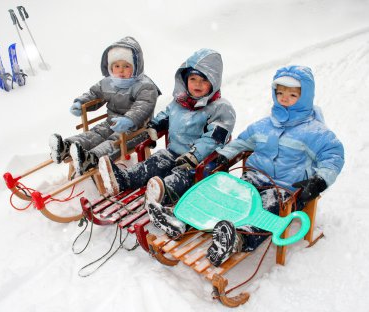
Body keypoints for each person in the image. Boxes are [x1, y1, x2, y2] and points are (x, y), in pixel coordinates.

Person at [147, 65, 344, 267]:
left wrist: (319, 181)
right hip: (252, 179)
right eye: (280, 92)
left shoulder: (315, 132)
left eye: (292, 94)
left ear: (304, 97)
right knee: (226, 199)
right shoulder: (265, 124)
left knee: (266, 210)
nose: (284, 98)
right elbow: (242, 142)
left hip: (286, 187)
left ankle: (238, 240)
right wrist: (224, 155)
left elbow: (333, 156)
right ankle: (182, 222)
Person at [98, 48, 236, 236]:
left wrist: (195, 155)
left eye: (204, 80)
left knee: (181, 177)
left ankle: (161, 194)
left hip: (200, 164)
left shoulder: (221, 108)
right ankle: (124, 179)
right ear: (185, 79)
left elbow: (213, 138)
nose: (197, 84)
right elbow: (167, 114)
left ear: (214, 83)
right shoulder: (180, 101)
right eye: (193, 79)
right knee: (156, 161)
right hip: (174, 152)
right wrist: (155, 125)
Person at [49, 36, 160, 176]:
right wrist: (80, 103)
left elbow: (143, 106)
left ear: (136, 67)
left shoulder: (145, 86)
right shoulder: (109, 83)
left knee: (113, 141)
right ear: (110, 67)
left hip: (136, 129)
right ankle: (66, 147)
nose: (121, 71)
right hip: (111, 122)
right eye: (117, 66)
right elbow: (94, 93)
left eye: (126, 66)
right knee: (95, 133)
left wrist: (129, 120)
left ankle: (91, 158)